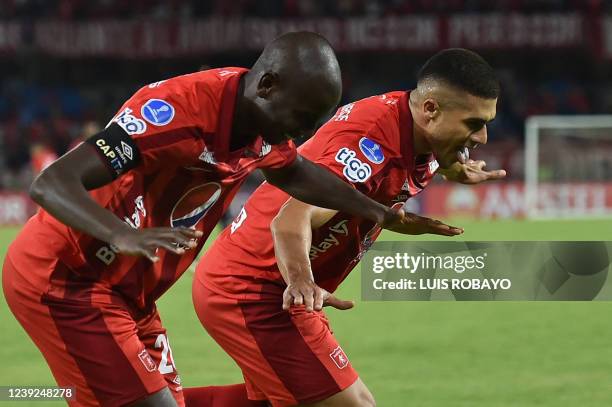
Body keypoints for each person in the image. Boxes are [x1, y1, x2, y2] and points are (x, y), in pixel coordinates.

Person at [2, 32, 459, 407]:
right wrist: (120, 233)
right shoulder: (174, 112)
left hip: (130, 293)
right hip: (67, 280)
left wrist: (379, 213)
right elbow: (52, 182)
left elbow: (297, 173)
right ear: (267, 86)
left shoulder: (262, 125)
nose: (299, 133)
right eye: (300, 119)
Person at [191, 48, 506, 407]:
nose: (481, 138)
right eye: (473, 124)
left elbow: (385, 188)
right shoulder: (368, 147)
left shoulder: (421, 132)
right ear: (431, 109)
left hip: (255, 280)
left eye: (486, 124)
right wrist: (301, 282)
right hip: (256, 288)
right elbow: (291, 221)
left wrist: (451, 167)